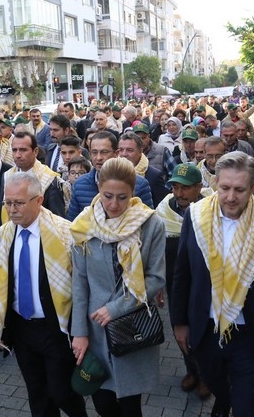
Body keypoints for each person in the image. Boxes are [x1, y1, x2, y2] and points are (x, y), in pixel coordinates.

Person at [170, 151, 254, 417]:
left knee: (247, 408)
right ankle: (223, 401)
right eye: (224, 187)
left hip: (250, 335)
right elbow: (182, 274)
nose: (230, 197)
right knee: (218, 385)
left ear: (253, 187)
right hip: (206, 331)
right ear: (214, 183)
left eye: (239, 190)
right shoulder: (195, 217)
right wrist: (179, 322)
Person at [70, 157, 166, 417]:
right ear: (98, 189)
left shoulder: (150, 224)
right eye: (107, 196)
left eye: (122, 197)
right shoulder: (83, 225)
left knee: (130, 404)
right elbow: (79, 283)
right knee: (102, 403)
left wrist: (115, 308)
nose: (114, 204)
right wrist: (79, 332)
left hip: (132, 325)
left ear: (133, 193)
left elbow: (156, 278)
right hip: (95, 329)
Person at [0, 172, 87, 417]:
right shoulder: (3, 235)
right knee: (37, 394)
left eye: (18, 203)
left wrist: (80, 330)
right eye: (7, 202)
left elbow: (80, 285)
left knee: (62, 392)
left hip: (56, 327)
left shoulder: (66, 234)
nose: (12, 209)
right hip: (22, 328)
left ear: (39, 200)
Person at [155, 163, 210, 400]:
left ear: (199, 188)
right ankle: (192, 370)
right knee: (180, 326)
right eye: (176, 187)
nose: (179, 194)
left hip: (205, 283)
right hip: (175, 283)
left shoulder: (210, 210)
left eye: (185, 188)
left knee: (205, 328)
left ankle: (208, 375)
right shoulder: (162, 212)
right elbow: (154, 248)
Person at [67, 131, 153, 220]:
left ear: (116, 153)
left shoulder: (139, 184)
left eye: (104, 152)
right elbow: (72, 223)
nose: (98, 157)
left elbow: (148, 222)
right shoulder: (79, 184)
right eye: (94, 152)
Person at [6, 130, 70, 218]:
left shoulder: (50, 181)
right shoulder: (6, 176)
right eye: (14, 150)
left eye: (23, 150)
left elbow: (56, 220)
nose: (17, 155)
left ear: (35, 151)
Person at [118, 132, 168, 208]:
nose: (124, 154)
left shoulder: (154, 176)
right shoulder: (111, 172)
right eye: (121, 150)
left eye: (129, 150)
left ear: (140, 151)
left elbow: (161, 209)